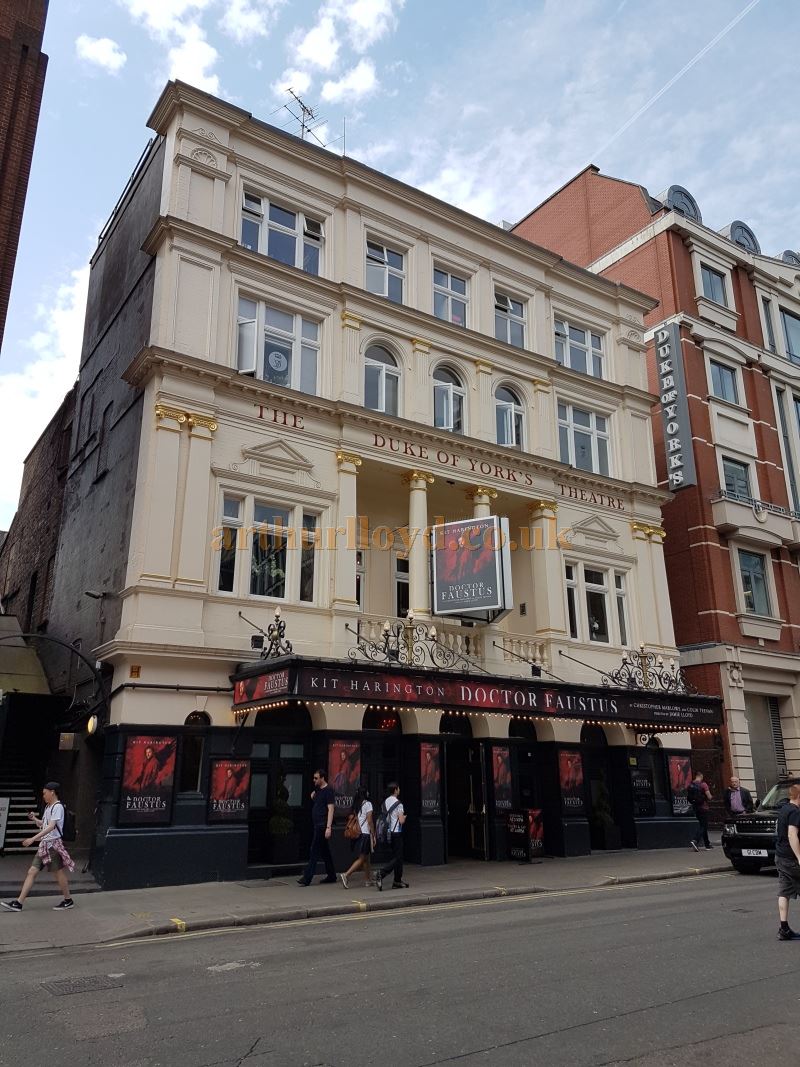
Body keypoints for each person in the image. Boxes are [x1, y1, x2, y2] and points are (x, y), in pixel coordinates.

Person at [1, 782, 75, 912]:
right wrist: (35, 819)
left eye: (45, 793)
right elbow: (45, 825)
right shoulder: (48, 807)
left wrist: (32, 839)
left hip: (53, 845)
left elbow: (52, 827)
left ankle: (68, 900)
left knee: (58, 874)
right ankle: (19, 903)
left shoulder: (57, 807)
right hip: (44, 845)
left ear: (52, 792)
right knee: (32, 871)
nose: (43, 796)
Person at [297, 768, 337, 886]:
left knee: (314, 850)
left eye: (316, 778)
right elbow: (318, 802)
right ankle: (332, 875)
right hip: (317, 824)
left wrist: (328, 827)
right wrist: (312, 796)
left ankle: (307, 877)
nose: (314, 780)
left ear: (322, 778)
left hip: (322, 825)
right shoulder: (318, 790)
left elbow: (331, 809)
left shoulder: (328, 791)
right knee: (325, 852)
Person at [775, 783, 800, 940]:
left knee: (784, 891)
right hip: (791, 858)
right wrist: (799, 856)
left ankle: (784, 928)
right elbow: (792, 834)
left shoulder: (784, 809)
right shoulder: (795, 812)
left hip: (780, 856)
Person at [340, 787, 375, 889]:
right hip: (366, 834)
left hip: (360, 834)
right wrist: (373, 833)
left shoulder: (357, 805)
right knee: (362, 858)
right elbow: (369, 821)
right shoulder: (368, 804)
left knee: (366, 858)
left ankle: (368, 880)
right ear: (365, 794)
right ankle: (346, 875)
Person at [376, 782, 408, 891]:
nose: (399, 790)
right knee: (398, 858)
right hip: (396, 833)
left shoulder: (386, 801)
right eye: (398, 788)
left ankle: (397, 881)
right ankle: (381, 873)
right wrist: (404, 817)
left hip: (388, 833)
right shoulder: (399, 804)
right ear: (395, 790)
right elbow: (401, 821)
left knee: (397, 857)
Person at [688, 771, 713, 851]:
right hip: (703, 807)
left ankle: (707, 844)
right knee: (703, 826)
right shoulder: (703, 784)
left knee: (702, 825)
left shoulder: (690, 785)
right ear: (701, 776)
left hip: (696, 807)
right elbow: (709, 796)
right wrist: (710, 796)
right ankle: (695, 840)